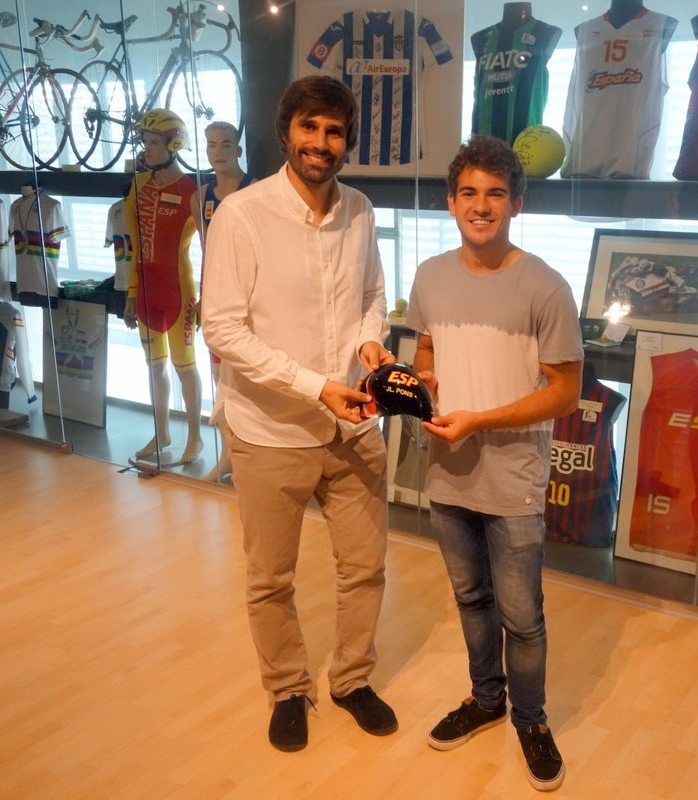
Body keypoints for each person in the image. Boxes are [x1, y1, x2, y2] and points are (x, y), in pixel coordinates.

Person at [200, 75, 397, 753]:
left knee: (365, 568)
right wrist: (315, 386)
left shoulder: (361, 209)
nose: (321, 142)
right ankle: (288, 687)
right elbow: (222, 328)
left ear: (346, 140)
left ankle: (352, 679)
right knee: (270, 578)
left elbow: (372, 295)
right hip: (269, 430)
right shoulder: (241, 215)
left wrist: (369, 342)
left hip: (353, 424)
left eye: (334, 131)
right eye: (309, 127)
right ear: (286, 132)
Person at [406, 135, 583, 792]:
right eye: (469, 193)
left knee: (522, 616)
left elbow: (565, 392)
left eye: (496, 194)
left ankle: (531, 720)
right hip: (447, 471)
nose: (481, 206)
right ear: (451, 202)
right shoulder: (429, 276)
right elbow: (428, 348)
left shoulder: (545, 286)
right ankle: (486, 700)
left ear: (516, 203)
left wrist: (480, 419)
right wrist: (423, 378)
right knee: (469, 598)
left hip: (512, 478)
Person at [123, 108, 203, 465]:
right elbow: (133, 248)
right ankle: (162, 432)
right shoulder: (138, 185)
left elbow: (211, 247)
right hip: (146, 289)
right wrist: (130, 294)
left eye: (154, 142)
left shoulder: (192, 190)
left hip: (178, 289)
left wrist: (208, 296)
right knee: (154, 366)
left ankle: (196, 437)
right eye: (145, 141)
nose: (147, 149)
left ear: (174, 145)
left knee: (185, 366)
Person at [191, 120, 253, 484]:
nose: (218, 152)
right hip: (215, 293)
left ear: (238, 149)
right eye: (211, 145)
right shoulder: (200, 196)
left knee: (247, 379)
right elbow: (206, 251)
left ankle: (248, 459)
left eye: (226, 145)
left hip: (246, 295)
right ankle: (228, 457)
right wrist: (203, 296)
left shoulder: (255, 189)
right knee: (220, 383)